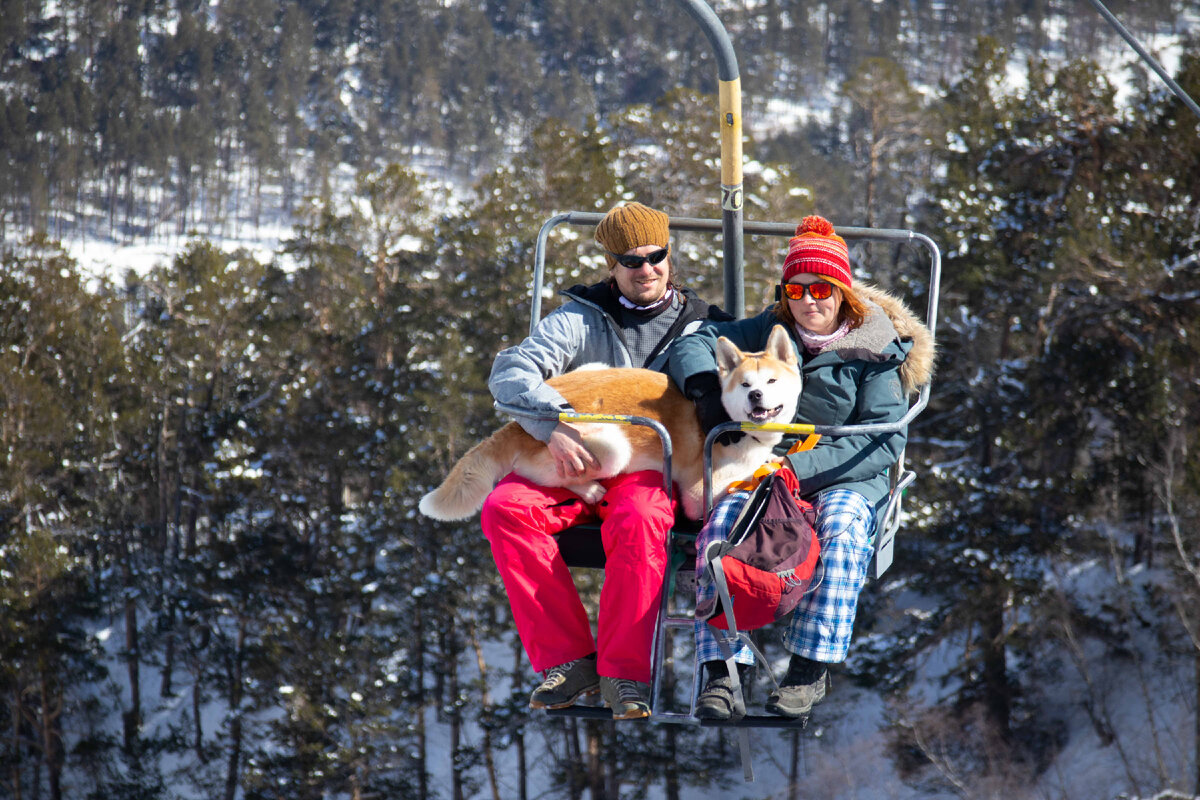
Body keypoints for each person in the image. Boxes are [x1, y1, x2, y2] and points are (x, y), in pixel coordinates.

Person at [666, 215, 934, 720]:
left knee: (842, 530)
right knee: (720, 528)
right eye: (797, 288)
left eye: (823, 287)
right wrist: (706, 388)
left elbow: (882, 440)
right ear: (784, 293)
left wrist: (797, 469)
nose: (811, 299)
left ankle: (807, 670)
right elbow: (695, 342)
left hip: (846, 472)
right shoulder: (771, 330)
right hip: (766, 466)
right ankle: (723, 673)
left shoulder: (874, 350)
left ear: (843, 292)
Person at [481, 202, 731, 720]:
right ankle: (570, 660)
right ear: (612, 266)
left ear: (670, 257)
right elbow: (512, 372)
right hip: (577, 463)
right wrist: (554, 426)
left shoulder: (702, 326)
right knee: (505, 509)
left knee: (640, 520)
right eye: (631, 261)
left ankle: (624, 672)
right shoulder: (580, 320)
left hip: (647, 466)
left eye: (655, 256)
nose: (646, 270)